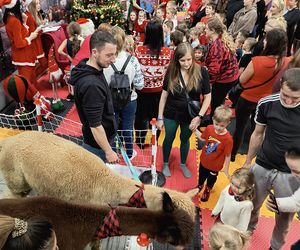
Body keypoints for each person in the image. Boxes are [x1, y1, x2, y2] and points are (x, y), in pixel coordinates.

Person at [243, 68, 300, 250]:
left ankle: (275, 247)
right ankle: (247, 233)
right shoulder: (267, 103)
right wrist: (247, 162)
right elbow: (257, 134)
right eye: (285, 95)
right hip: (263, 164)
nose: (289, 101)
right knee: (250, 205)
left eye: (295, 98)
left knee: (284, 218)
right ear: (281, 84)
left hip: (290, 174)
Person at [231, 28, 289, 162]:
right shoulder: (285, 62)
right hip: (266, 101)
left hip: (247, 99)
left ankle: (233, 154)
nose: (263, 42)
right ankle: (253, 156)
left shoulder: (257, 61)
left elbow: (242, 80)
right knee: (259, 131)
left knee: (240, 127)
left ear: (270, 44)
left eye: (266, 39)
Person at [157, 42, 211, 178]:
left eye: (189, 59)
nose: (186, 63)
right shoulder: (172, 70)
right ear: (177, 60)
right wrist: (159, 117)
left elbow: (207, 97)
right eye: (182, 60)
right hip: (171, 112)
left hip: (191, 115)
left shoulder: (201, 71)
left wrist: (199, 117)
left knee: (185, 139)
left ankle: (182, 164)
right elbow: (164, 95)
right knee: (168, 137)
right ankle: (164, 163)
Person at [69, 30, 119, 163]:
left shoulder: (91, 67)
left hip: (101, 141)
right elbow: (95, 126)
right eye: (109, 55)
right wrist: (108, 152)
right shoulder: (91, 85)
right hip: (98, 148)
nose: (113, 60)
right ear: (95, 52)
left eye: (114, 54)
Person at [103, 26, 144, 159]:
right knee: (127, 126)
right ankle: (130, 152)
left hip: (110, 100)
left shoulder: (105, 61)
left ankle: (114, 150)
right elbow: (140, 84)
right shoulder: (132, 60)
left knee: (112, 125)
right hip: (130, 99)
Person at [134, 19, 171, 149]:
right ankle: (154, 142)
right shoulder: (168, 52)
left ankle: (139, 143)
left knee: (140, 118)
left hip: (142, 91)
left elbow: (135, 70)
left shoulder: (139, 50)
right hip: (160, 93)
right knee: (157, 117)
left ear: (147, 33)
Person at [195, 105, 233, 201]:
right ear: (213, 120)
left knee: (211, 180)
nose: (219, 128)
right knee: (202, 175)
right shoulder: (209, 128)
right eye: (216, 124)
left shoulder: (228, 139)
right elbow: (202, 138)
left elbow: (228, 155)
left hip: (215, 166)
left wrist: (226, 168)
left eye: (222, 126)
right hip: (204, 161)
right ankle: (200, 185)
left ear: (228, 123)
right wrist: (194, 129)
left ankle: (207, 189)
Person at [204, 18, 239, 122]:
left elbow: (214, 70)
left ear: (213, 30)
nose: (205, 30)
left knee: (216, 102)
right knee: (219, 100)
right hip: (230, 75)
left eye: (206, 29)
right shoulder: (221, 40)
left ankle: (214, 121)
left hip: (225, 79)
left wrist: (208, 82)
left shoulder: (217, 46)